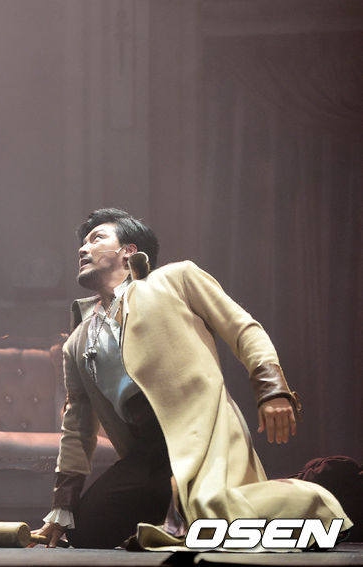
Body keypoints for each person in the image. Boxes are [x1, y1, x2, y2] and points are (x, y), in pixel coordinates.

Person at [35, 208, 351, 550]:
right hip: (145, 451)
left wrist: (272, 390)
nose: (83, 249)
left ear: (128, 251)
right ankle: (171, 515)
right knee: (87, 530)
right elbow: (77, 427)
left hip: (201, 433)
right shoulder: (78, 340)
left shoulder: (176, 279)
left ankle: (314, 502)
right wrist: (62, 507)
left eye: (96, 238)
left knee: (212, 511)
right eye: (82, 243)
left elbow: (242, 328)